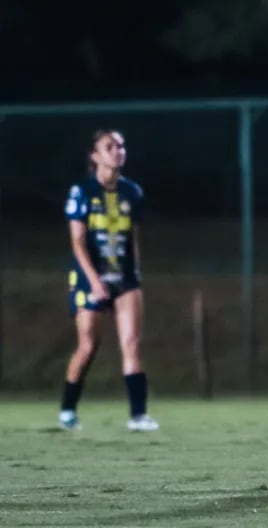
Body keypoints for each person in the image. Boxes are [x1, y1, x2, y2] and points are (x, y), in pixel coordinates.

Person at [59, 129, 159, 432]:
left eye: (121, 146)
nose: (118, 151)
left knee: (131, 343)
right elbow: (77, 242)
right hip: (90, 278)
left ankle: (138, 415)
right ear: (95, 155)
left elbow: (134, 238)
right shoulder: (82, 192)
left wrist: (136, 274)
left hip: (125, 277)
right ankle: (68, 409)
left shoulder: (132, 192)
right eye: (110, 146)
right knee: (88, 346)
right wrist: (95, 281)